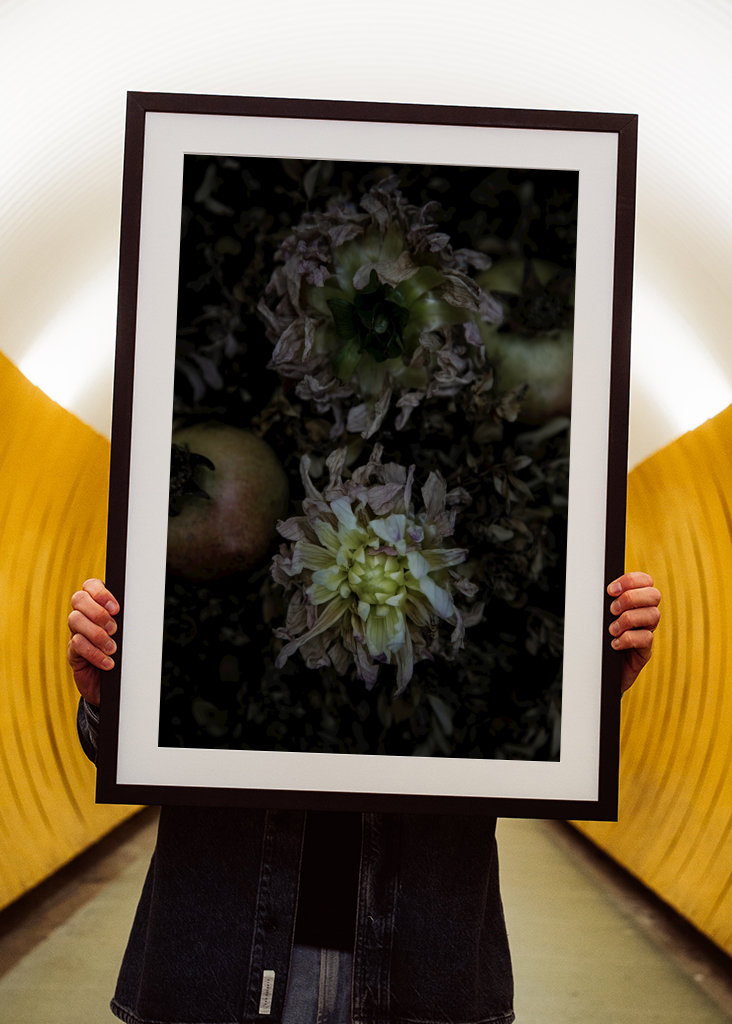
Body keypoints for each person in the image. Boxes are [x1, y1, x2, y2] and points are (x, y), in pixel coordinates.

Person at [68, 572, 661, 1024]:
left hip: (422, 964)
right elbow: (130, 749)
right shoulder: (219, 578)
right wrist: (109, 701)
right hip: (220, 956)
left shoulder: (480, 584)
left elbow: (512, 726)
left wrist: (584, 694)